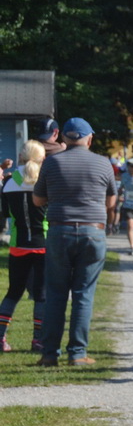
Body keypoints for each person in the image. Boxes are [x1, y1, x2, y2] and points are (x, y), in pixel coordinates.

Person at [32, 118, 117, 367]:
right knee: (83, 294)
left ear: (65, 139)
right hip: (93, 232)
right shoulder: (103, 163)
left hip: (59, 231)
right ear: (89, 139)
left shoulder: (52, 163)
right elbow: (111, 202)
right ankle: (78, 353)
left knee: (56, 294)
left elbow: (37, 201)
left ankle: (49, 354)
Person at [0, 141, 48, 353]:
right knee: (41, 294)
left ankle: (0, 338)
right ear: (41, 158)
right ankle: (38, 340)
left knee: (13, 292)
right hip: (43, 244)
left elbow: (4, 214)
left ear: (20, 157)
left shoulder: (9, 182)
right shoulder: (45, 181)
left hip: (18, 244)